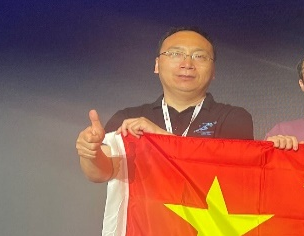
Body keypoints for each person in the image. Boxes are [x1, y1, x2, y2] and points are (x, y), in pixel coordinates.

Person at [74, 27, 255, 183]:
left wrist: (160, 137)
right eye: (175, 54)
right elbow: (102, 173)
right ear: (157, 65)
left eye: (199, 56)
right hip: (144, 214)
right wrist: (91, 154)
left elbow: (233, 172)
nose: (187, 64)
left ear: (213, 70)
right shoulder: (128, 118)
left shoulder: (233, 117)